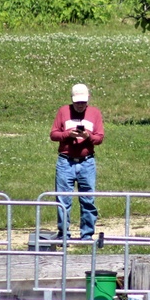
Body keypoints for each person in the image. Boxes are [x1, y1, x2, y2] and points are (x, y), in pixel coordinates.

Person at [50, 83, 104, 240]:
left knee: (88, 199)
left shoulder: (95, 113)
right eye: (77, 102)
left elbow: (99, 138)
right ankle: (63, 235)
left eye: (83, 102)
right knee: (63, 200)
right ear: (72, 100)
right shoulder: (63, 111)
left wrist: (89, 137)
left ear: (88, 100)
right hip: (65, 161)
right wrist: (68, 135)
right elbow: (53, 134)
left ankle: (87, 236)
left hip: (87, 162)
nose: (80, 105)